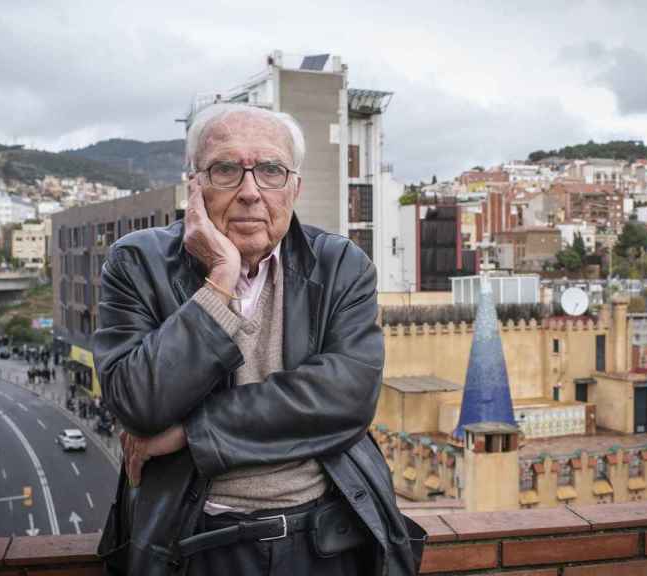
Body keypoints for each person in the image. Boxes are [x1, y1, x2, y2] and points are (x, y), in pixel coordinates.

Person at [93, 103, 424, 576]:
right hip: (193, 544)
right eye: (226, 169)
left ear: (294, 188)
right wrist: (220, 280)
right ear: (195, 184)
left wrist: (191, 432)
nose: (250, 191)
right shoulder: (137, 263)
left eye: (270, 170)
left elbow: (345, 397)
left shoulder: (340, 266)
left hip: (326, 540)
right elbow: (137, 402)